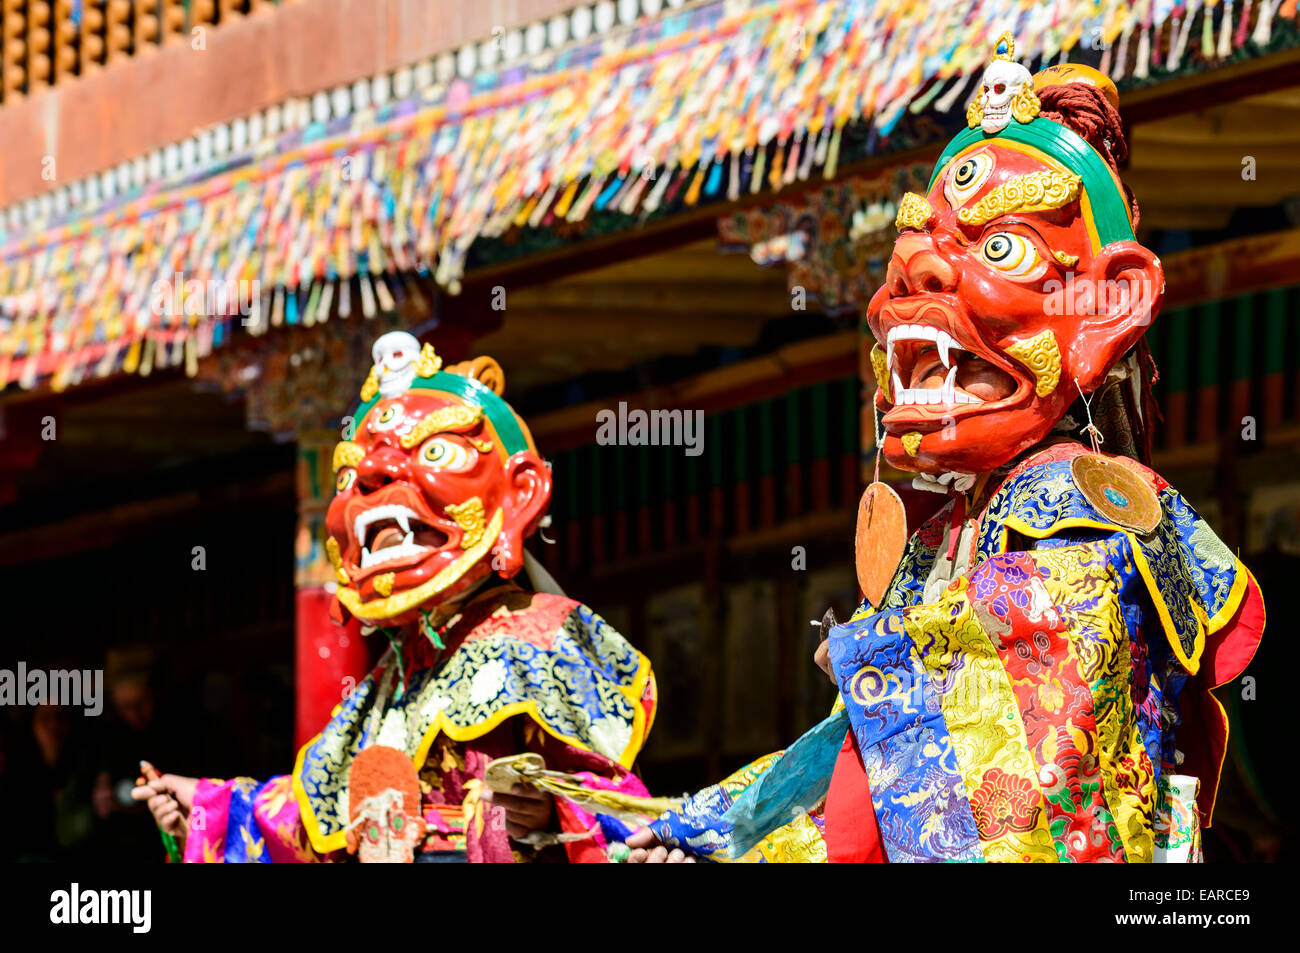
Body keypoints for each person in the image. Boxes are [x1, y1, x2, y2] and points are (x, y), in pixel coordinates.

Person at [627, 35, 1264, 864]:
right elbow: (853, 766)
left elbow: (1005, 721)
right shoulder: (950, 530)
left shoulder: (1076, 499)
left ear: (1108, 305)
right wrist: (715, 829)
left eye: (1001, 249)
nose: (916, 281)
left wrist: (862, 657)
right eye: (911, 258)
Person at [135, 334, 657, 862]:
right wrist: (205, 808)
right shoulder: (400, 667)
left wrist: (551, 816)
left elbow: (623, 809)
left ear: (520, 492)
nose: (375, 476)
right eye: (350, 474)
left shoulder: (543, 634)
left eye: (435, 450)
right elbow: (315, 818)